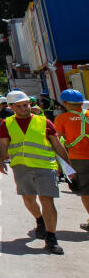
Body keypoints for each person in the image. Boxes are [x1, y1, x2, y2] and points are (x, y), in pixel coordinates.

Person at [0, 90, 73, 255]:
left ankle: (51, 238)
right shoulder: (7, 123)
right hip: (21, 167)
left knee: (47, 200)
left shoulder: (44, 122)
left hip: (45, 166)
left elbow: (57, 145)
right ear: (11, 107)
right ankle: (40, 221)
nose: (25, 108)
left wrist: (68, 168)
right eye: (20, 106)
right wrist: (0, 160)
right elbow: (3, 143)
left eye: (27, 105)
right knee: (29, 199)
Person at [54, 89, 89, 231]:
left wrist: (59, 165)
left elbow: (56, 141)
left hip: (78, 159)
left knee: (86, 191)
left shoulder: (62, 119)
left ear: (65, 103)